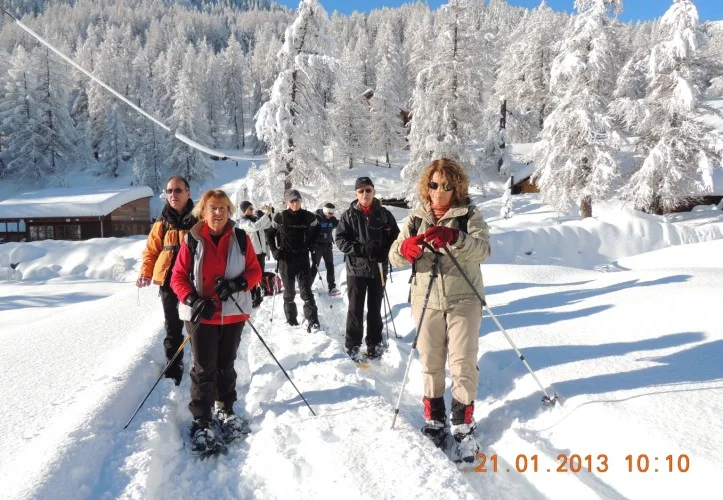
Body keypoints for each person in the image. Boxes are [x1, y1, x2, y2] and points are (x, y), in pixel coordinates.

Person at [388, 158, 491, 463]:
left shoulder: (469, 214)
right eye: (434, 184)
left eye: (447, 185)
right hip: (426, 299)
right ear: (427, 186)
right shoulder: (416, 218)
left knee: (463, 363)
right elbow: (394, 255)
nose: (440, 191)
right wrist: (405, 249)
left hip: (464, 299)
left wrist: (456, 238)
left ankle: (463, 426)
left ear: (456, 188)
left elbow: (484, 249)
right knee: (431, 362)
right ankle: (434, 420)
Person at [170, 189, 262, 455]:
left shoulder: (241, 238)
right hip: (202, 315)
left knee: (226, 364)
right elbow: (177, 277)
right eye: (213, 208)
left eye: (223, 208)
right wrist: (193, 300)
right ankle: (202, 420)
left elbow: (255, 270)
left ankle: (225, 410)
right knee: (204, 368)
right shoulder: (192, 240)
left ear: (229, 211)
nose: (218, 213)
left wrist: (238, 283)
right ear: (203, 211)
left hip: (233, 312)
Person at [136, 176, 197, 386]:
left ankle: (201, 366)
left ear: (188, 193)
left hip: (193, 282)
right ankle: (173, 367)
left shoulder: (199, 220)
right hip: (169, 282)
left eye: (178, 190)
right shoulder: (161, 223)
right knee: (172, 326)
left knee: (196, 325)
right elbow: (151, 251)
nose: (173, 195)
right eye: (169, 191)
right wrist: (145, 273)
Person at [335, 177, 400, 362]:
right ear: (356, 194)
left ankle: (374, 343)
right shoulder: (349, 215)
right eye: (361, 191)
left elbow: (396, 237)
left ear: (374, 191)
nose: (365, 194)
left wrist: (384, 251)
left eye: (368, 190)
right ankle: (353, 344)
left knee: (375, 308)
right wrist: (362, 249)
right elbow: (340, 240)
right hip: (356, 269)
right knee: (355, 308)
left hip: (378, 268)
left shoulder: (384, 214)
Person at [267, 189, 321, 332]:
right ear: (287, 202)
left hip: (302, 257)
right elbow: (270, 235)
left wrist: (312, 243)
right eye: (292, 201)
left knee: (306, 291)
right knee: (289, 292)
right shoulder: (280, 217)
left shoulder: (308, 216)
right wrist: (274, 250)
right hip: (286, 259)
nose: (295, 204)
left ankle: (313, 321)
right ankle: (291, 319)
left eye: (297, 200)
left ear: (301, 201)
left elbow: (317, 228)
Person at [238, 200, 272, 308]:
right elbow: (254, 227)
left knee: (260, 274)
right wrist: (265, 216)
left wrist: (269, 214)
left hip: (260, 251)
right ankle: (252, 296)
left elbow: (267, 225)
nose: (252, 210)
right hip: (252, 252)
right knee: (253, 275)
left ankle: (261, 292)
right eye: (250, 208)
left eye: (253, 208)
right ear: (244, 210)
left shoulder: (255, 219)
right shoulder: (243, 222)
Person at [310, 202, 339, 295]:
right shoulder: (316, 219)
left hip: (328, 246)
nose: (331, 215)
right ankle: (307, 286)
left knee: (330, 266)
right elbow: (309, 231)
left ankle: (332, 287)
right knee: (315, 266)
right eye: (330, 213)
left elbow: (341, 225)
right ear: (325, 212)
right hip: (317, 246)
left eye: (332, 213)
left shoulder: (332, 220)